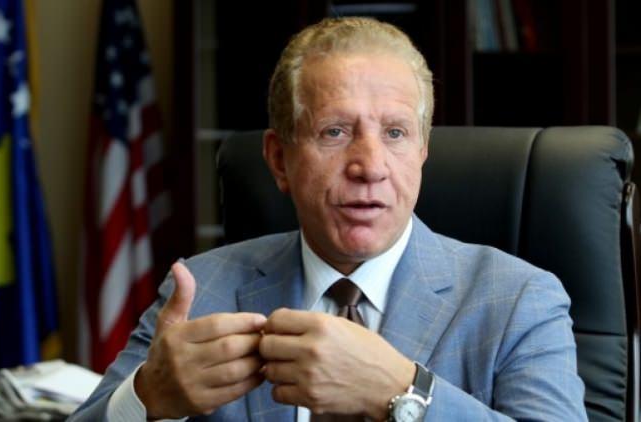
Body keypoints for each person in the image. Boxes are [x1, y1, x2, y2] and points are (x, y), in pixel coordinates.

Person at [70, 17, 587, 421]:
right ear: (279, 160)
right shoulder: (202, 289)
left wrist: (402, 394)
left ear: (423, 151)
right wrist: (148, 397)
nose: (370, 166)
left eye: (395, 133)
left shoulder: (518, 300)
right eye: (335, 132)